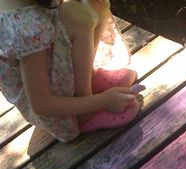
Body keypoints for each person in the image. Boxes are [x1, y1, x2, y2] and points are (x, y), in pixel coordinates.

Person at [0, 0, 140, 142]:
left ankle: (88, 77)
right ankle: (84, 115)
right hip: (54, 112)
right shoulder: (25, 28)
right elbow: (42, 105)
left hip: (46, 66)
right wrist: (103, 101)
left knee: (94, 3)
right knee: (78, 17)